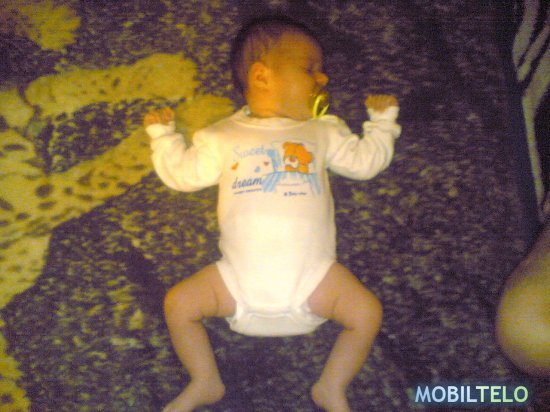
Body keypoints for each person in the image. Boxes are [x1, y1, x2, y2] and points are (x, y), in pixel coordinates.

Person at [143, 16, 401, 412]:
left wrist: (381, 126)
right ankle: (205, 379)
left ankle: (331, 386)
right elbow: (184, 175)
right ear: (262, 76)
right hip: (235, 281)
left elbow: (363, 163)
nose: (323, 78)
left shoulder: (323, 130)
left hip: (314, 279)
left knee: (367, 312)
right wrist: (164, 139)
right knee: (178, 303)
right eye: (310, 68)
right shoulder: (222, 136)